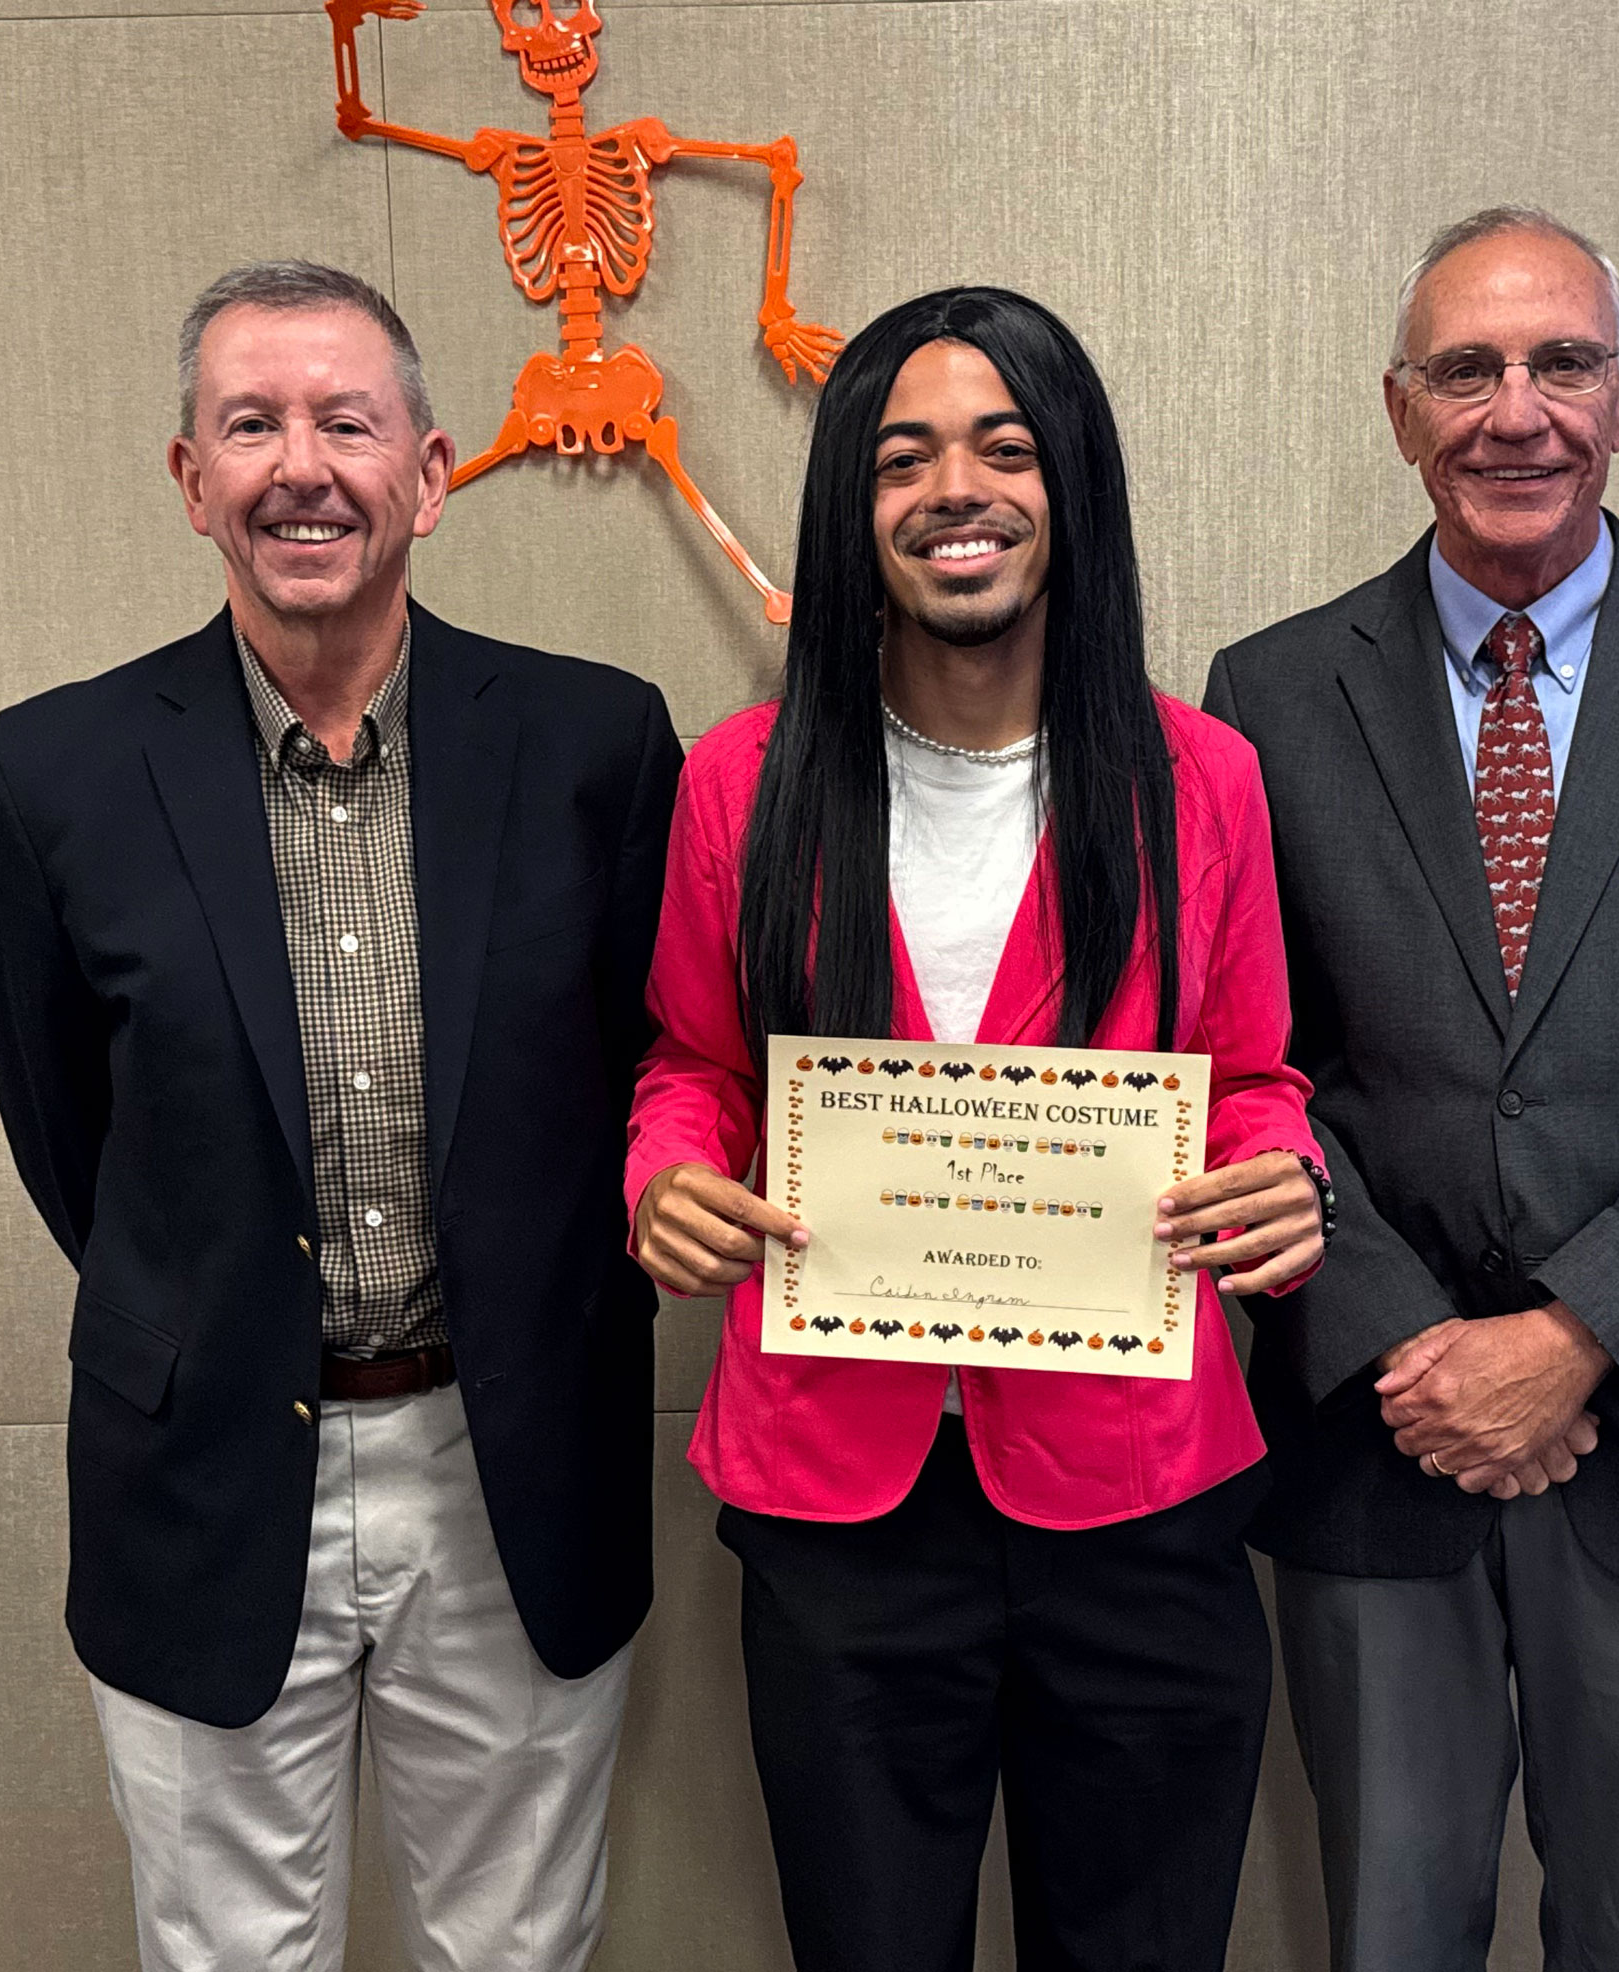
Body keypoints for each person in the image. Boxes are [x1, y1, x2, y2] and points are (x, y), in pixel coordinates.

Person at [0, 260, 678, 1972]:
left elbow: (652, 1074)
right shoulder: (50, 775)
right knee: (226, 1950)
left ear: (428, 472)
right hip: (204, 1460)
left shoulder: (595, 743)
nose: (302, 467)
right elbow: (72, 1138)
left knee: (515, 1945)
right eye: (251, 424)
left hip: (511, 1456)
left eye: (347, 424)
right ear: (188, 476)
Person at [1204, 208, 1619, 1972]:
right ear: (1400, 410)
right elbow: (1242, 1067)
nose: (1517, 411)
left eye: (1562, 363)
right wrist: (1413, 1348)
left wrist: (1573, 1338)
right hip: (1378, 1438)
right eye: (1467, 369)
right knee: (1387, 1935)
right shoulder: (1267, 700)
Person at [625, 286, 1328, 1972]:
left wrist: (1283, 1181)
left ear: (1071, 484)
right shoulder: (745, 780)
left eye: (1006, 449)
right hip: (840, 1504)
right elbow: (694, 1063)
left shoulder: (1201, 779)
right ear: (851, 509)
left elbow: (1252, 1077)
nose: (958, 491)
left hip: (1136, 1489)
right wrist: (669, 1174)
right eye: (903, 458)